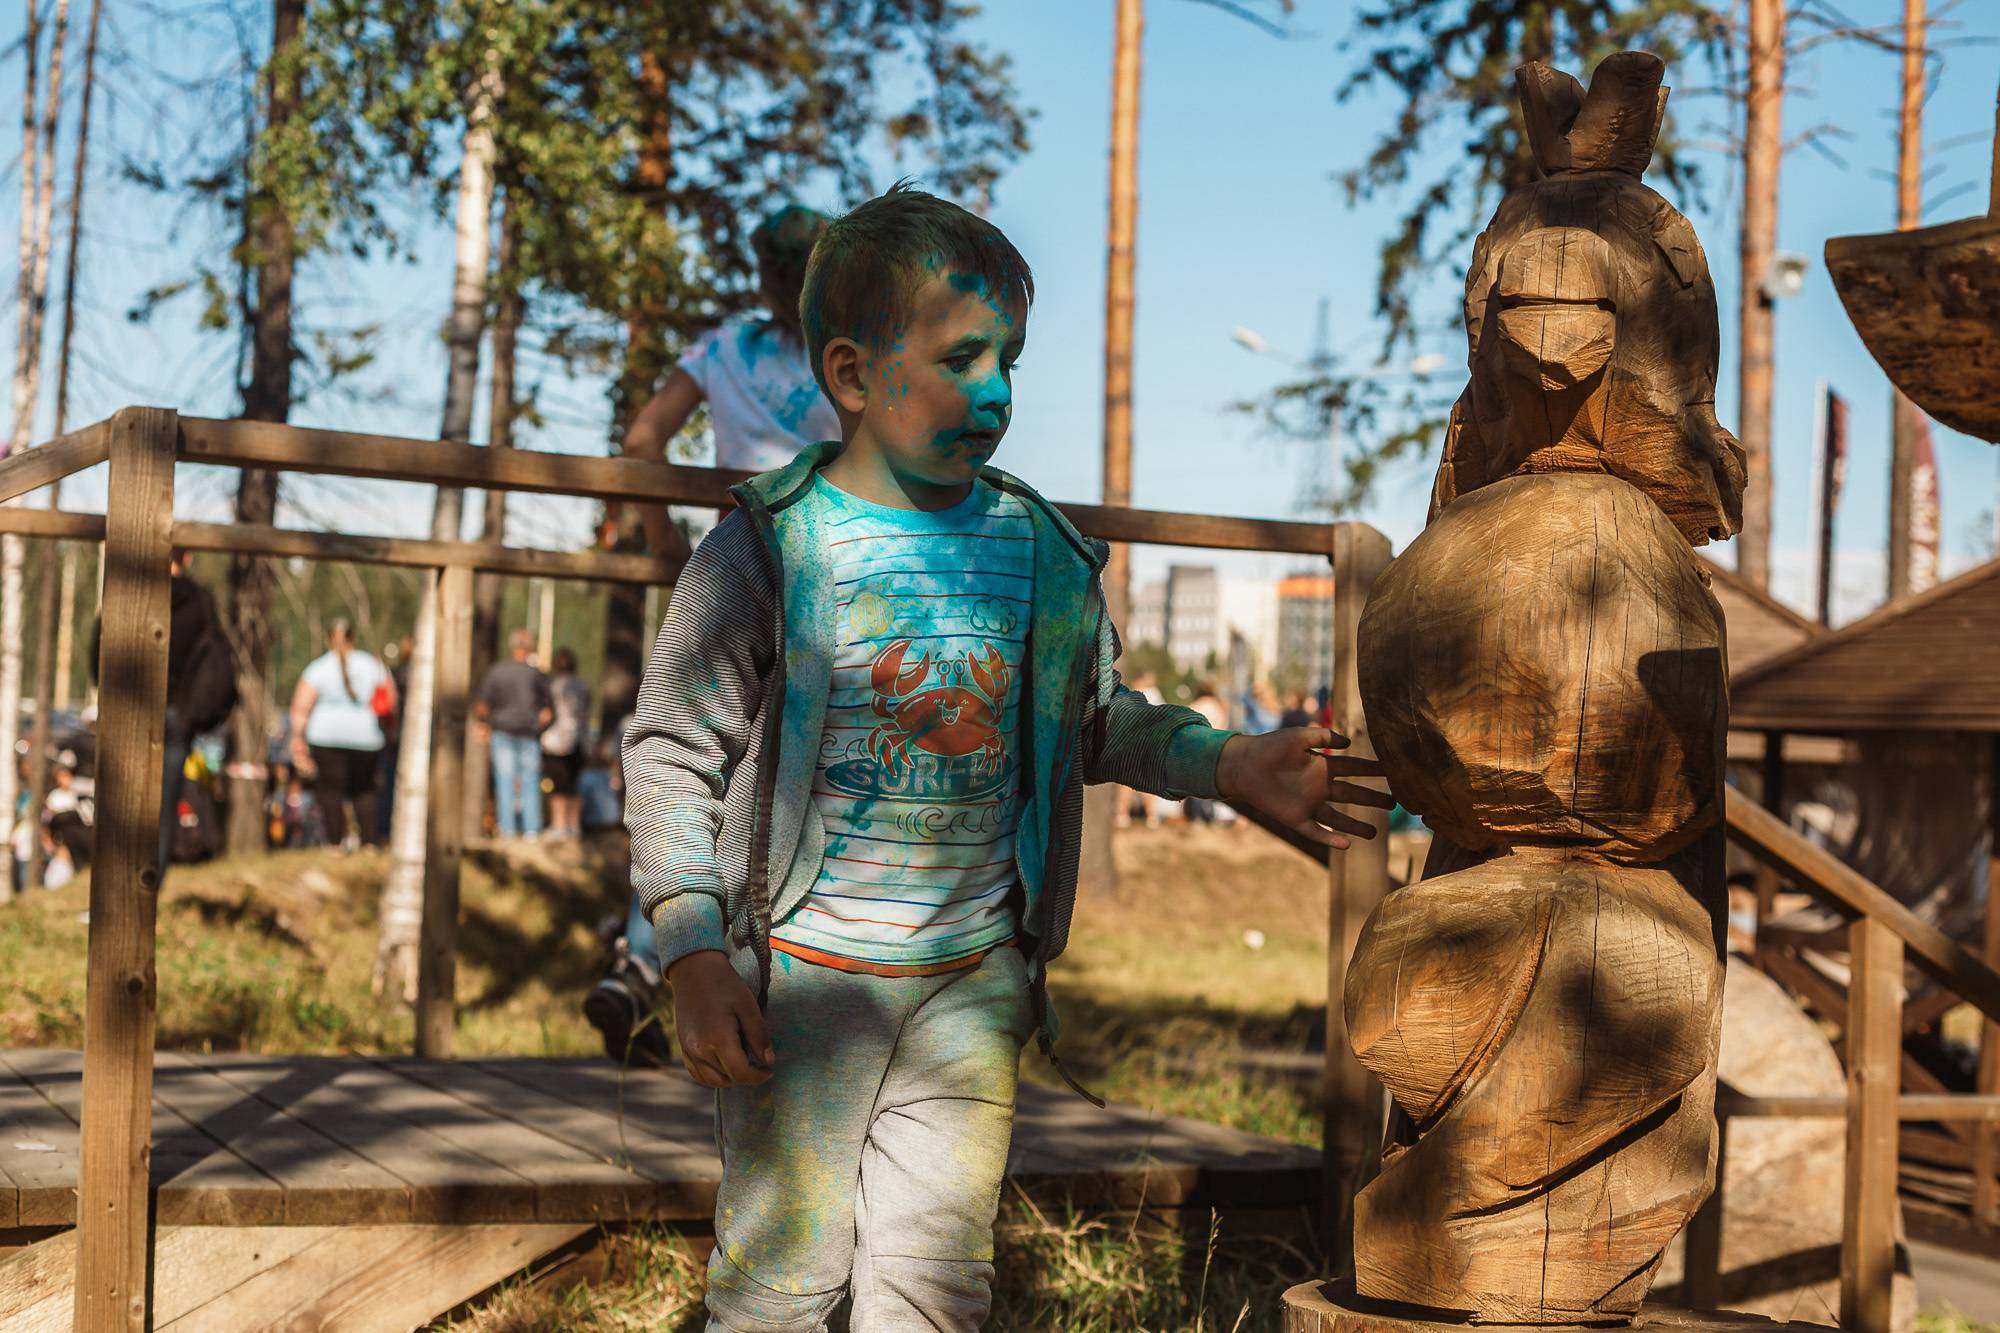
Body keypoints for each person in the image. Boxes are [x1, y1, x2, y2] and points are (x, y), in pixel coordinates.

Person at [622, 184, 1394, 1331]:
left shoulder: (1036, 551)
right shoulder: (771, 544)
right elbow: (673, 742)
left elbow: (1095, 720)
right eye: (961, 357)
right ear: (848, 375)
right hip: (805, 985)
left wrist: (1225, 762)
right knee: (780, 1284)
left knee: (936, 1286)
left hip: (969, 987)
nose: (994, 391)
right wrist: (689, 952)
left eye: (1010, 361)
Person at [588, 204, 835, 1069]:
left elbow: (643, 438)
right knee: (793, 783)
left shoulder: (724, 345)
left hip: (727, 572)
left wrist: (667, 547)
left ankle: (647, 959)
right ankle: (759, 974)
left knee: (686, 772)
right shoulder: (848, 346)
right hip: (832, 581)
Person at [89, 548, 234, 879]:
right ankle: (151, 883)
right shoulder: (200, 603)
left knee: (120, 800)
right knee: (164, 806)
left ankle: (115, 879)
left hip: (131, 713)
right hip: (177, 717)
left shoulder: (130, 595)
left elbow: (99, 647)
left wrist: (112, 699)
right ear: (189, 557)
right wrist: (194, 713)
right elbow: (218, 661)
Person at [287, 620, 393, 852]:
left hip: (325, 738)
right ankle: (370, 845)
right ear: (353, 638)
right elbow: (390, 702)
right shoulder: (373, 665)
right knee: (365, 791)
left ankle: (334, 845)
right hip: (367, 738)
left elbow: (301, 707)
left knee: (331, 790)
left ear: (328, 640)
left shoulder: (318, 667)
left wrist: (297, 738)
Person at [476, 627, 553, 840]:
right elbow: (547, 713)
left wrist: (481, 724)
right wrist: (540, 728)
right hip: (529, 734)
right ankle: (531, 830)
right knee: (530, 781)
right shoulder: (537, 675)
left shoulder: (496, 672)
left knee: (504, 780)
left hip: (502, 732)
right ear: (530, 647)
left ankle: (507, 829)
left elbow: (482, 706)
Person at [540, 647, 591, 839]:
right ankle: (574, 826)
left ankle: (559, 826)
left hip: (556, 741)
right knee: (574, 785)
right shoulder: (583, 685)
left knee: (559, 785)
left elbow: (549, 714)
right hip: (580, 740)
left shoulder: (553, 686)